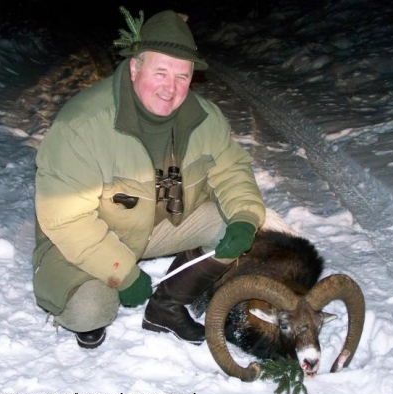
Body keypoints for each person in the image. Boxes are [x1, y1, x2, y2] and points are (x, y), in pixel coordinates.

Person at [32, 9, 266, 349]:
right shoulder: (82, 125)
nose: (170, 88)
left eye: (182, 77)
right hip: (85, 233)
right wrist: (122, 271)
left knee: (231, 226)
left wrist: (245, 216)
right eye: (160, 72)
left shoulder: (206, 119)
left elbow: (232, 170)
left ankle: (166, 306)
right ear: (134, 67)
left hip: (153, 226)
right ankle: (83, 294)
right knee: (90, 309)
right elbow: (65, 218)